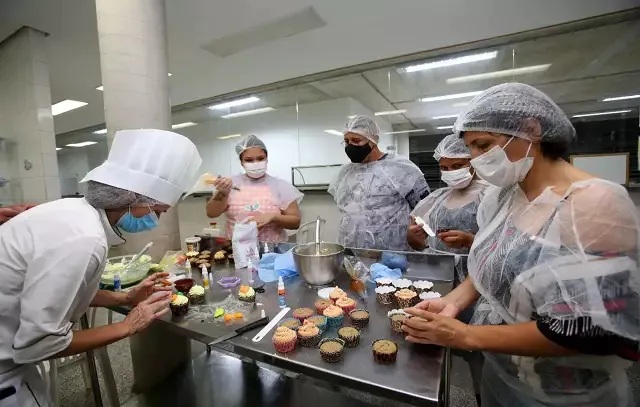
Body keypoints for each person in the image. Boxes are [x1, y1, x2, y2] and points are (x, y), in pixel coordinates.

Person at [401, 83, 640, 407]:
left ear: (531, 130)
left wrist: (466, 335)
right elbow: (489, 265)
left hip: (566, 394)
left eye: (483, 145)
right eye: (471, 148)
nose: (476, 159)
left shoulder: (596, 204)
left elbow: (594, 330)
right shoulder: (503, 197)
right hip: (502, 372)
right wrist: (453, 304)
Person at [0, 129, 202, 406]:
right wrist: (128, 326)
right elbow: (38, 344)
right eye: (158, 211)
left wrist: (124, 298)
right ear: (134, 200)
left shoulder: (73, 212)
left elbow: (58, 291)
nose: (159, 217)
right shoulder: (84, 239)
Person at [407, 133, 488, 406]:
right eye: (445, 167)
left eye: (458, 166)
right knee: (439, 344)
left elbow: (504, 246)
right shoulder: (438, 198)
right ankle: (437, 392)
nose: (451, 173)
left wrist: (470, 241)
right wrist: (415, 239)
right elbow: (418, 239)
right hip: (439, 278)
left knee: (479, 346)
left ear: (474, 161)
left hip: (479, 283)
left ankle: (480, 395)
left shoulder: (493, 195)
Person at [329, 115, 430, 250]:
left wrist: (419, 236)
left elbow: (426, 208)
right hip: (351, 252)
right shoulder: (344, 173)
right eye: (347, 141)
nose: (350, 146)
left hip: (393, 254)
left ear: (372, 140)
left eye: (356, 140)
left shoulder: (402, 169)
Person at [206, 135, 302, 242]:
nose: (255, 163)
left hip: (271, 251)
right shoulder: (230, 184)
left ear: (267, 159)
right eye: (249, 160)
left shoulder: (281, 186)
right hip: (235, 250)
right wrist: (222, 194)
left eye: (260, 158)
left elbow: (295, 222)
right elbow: (211, 213)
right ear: (241, 162)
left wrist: (274, 216)